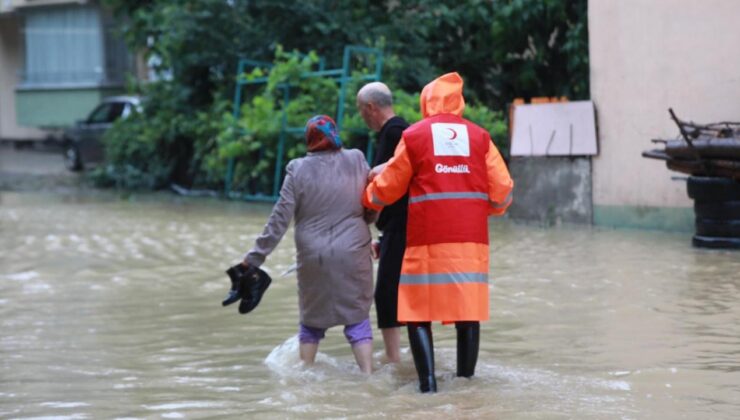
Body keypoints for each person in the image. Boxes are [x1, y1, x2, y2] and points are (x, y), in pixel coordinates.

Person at [362, 72, 514, 392]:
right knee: (467, 312)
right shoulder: (480, 137)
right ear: (459, 102)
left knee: (418, 313)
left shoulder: (415, 136)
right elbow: (503, 191)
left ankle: (427, 388)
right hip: (471, 241)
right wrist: (487, 209)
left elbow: (389, 187)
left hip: (426, 240)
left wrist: (368, 198)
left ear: (425, 102)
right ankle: (466, 385)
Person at [242, 115, 375, 374]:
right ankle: (369, 377)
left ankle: (304, 376)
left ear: (310, 139)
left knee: (311, 323)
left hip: (313, 257)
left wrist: (254, 258)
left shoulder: (297, 169)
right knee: (358, 319)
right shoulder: (357, 159)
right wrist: (368, 222)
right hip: (353, 251)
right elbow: (373, 199)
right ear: (334, 134)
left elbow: (280, 218)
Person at [356, 82, 410, 364]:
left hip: (401, 226)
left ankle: (393, 358)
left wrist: (369, 215)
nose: (361, 117)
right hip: (402, 225)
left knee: (387, 292)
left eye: (360, 110)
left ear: (370, 107)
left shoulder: (394, 133)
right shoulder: (405, 130)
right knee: (405, 290)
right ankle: (405, 354)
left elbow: (387, 185)